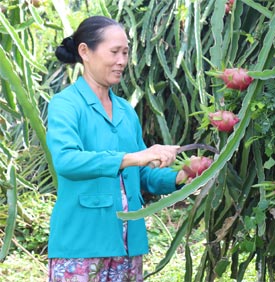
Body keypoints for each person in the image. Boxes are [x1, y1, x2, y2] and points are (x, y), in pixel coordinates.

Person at [46, 16, 190, 281]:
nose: (122, 61)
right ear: (85, 52)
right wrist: (134, 157)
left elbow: (142, 175)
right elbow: (67, 161)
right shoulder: (65, 105)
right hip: (81, 245)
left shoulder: (125, 110)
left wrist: (182, 177)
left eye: (125, 52)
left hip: (128, 247)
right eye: (114, 52)